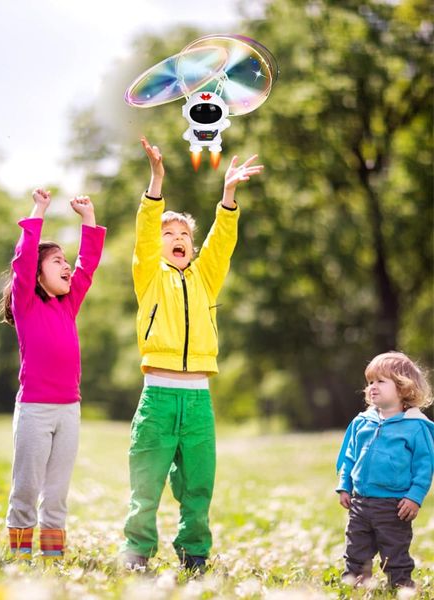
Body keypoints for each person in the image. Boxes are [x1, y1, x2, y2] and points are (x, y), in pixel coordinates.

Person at [121, 137, 263, 571]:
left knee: (198, 484)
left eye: (184, 234)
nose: (177, 238)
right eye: (170, 234)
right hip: (158, 399)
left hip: (199, 401)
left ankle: (194, 554)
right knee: (146, 485)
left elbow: (222, 242)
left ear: (192, 246)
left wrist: (228, 195)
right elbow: (146, 235)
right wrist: (157, 179)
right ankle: (137, 552)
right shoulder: (149, 275)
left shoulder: (204, 278)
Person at [0, 189, 105, 560]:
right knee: (27, 488)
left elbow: (88, 264)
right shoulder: (26, 303)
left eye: (66, 260)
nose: (67, 266)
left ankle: (52, 559)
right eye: (58, 261)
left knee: (57, 492)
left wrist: (88, 219)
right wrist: (39, 210)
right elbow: (22, 260)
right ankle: (19, 557)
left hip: (69, 411)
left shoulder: (68, 303)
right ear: (38, 274)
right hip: (34, 411)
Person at [336, 351, 434, 588]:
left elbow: (425, 466)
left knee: (395, 553)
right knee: (355, 550)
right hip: (360, 503)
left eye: (381, 381)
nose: (372, 387)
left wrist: (414, 497)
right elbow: (349, 457)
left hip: (394, 506)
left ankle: (401, 587)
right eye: (370, 382)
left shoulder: (415, 426)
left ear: (403, 388)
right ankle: (356, 586)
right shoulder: (362, 422)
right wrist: (344, 486)